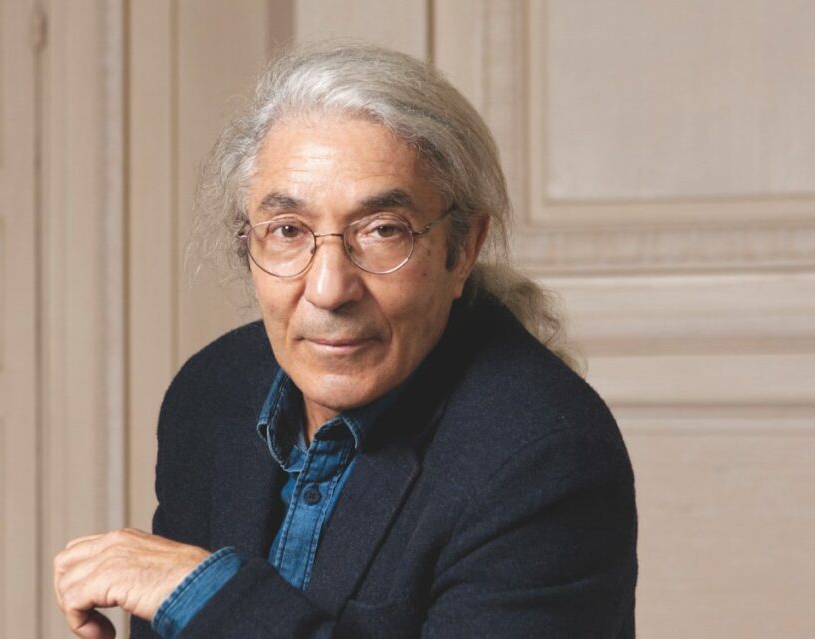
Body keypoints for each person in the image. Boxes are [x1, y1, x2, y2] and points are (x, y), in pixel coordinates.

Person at [53, 42, 637, 639]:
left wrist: (202, 592)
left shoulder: (544, 457)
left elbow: (201, 606)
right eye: (288, 230)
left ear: (462, 250)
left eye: (382, 231)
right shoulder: (212, 392)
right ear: (247, 245)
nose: (329, 289)